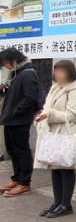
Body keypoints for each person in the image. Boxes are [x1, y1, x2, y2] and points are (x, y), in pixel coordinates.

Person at [35, 60, 76, 218]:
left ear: (69, 73)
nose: (58, 74)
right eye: (56, 71)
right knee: (55, 168)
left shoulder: (75, 90)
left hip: (66, 134)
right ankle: (57, 202)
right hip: (53, 133)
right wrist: (44, 115)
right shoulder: (55, 88)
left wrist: (50, 115)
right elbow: (46, 107)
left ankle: (66, 204)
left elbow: (73, 114)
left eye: (61, 71)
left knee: (66, 168)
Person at [0, 48, 41, 197]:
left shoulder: (28, 73)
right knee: (12, 150)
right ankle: (16, 179)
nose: (6, 66)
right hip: (10, 119)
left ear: (14, 60)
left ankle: (25, 183)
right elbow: (14, 97)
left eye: (6, 63)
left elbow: (29, 98)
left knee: (22, 150)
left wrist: (15, 112)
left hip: (20, 120)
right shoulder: (15, 74)